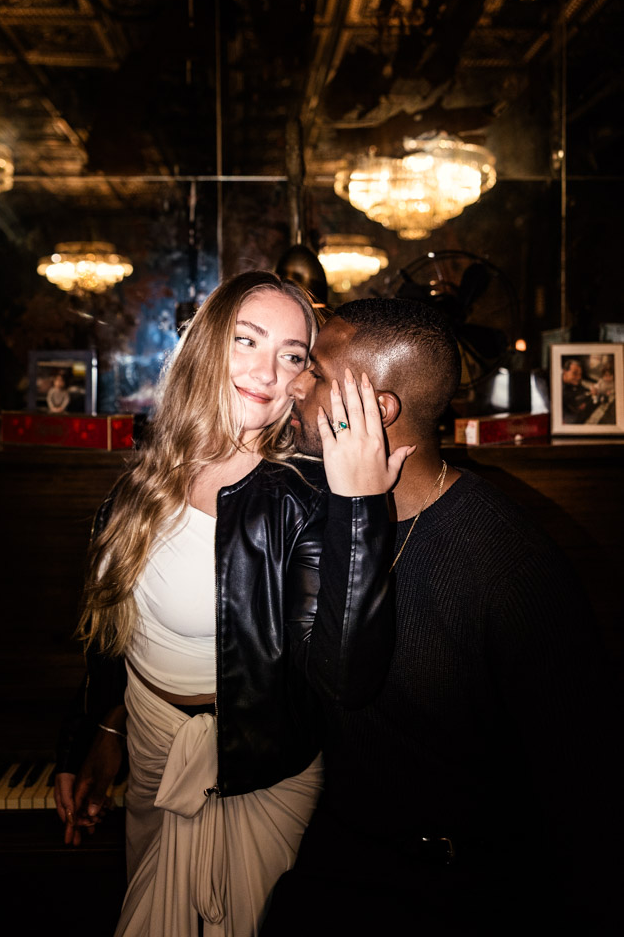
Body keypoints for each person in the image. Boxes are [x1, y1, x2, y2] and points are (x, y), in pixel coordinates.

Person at [54, 272, 409, 937]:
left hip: (255, 772)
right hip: (151, 750)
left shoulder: (299, 500)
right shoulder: (142, 479)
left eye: (292, 354)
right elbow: (115, 633)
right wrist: (96, 737)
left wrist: (359, 507)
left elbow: (345, 679)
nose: (267, 370)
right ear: (206, 346)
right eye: (247, 341)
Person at [261, 297, 621, 936]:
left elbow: (583, 794)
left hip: (460, 892)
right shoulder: (322, 516)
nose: (294, 383)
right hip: (338, 864)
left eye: (314, 372)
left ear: (379, 409)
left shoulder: (509, 562)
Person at [561, 357, 596, 423]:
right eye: (575, 373)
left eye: (580, 374)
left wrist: (590, 391)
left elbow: (581, 388)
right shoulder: (558, 388)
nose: (579, 377)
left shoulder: (573, 382)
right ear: (564, 371)